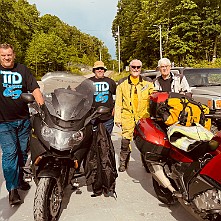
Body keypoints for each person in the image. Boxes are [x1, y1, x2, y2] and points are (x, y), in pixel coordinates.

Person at [0, 43, 44, 205]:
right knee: (10, 153)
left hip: (24, 120)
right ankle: (12, 190)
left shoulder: (22, 69)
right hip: (3, 122)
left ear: (14, 55)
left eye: (9, 54)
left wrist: (44, 109)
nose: (6, 57)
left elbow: (35, 89)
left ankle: (18, 180)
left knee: (22, 154)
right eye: (3, 55)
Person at [114, 59, 155, 172]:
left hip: (143, 116)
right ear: (129, 68)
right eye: (133, 67)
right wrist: (117, 118)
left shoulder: (148, 82)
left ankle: (147, 163)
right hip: (127, 115)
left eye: (138, 67)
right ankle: (123, 162)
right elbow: (118, 102)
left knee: (146, 141)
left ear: (141, 68)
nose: (136, 69)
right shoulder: (122, 83)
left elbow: (154, 98)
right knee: (125, 140)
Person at [89, 60, 116, 134]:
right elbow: (78, 94)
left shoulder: (110, 82)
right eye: (97, 68)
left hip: (108, 118)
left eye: (102, 68)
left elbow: (119, 96)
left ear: (104, 70)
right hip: (92, 117)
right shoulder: (88, 82)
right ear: (94, 70)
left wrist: (115, 108)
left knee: (106, 141)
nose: (100, 70)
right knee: (91, 141)